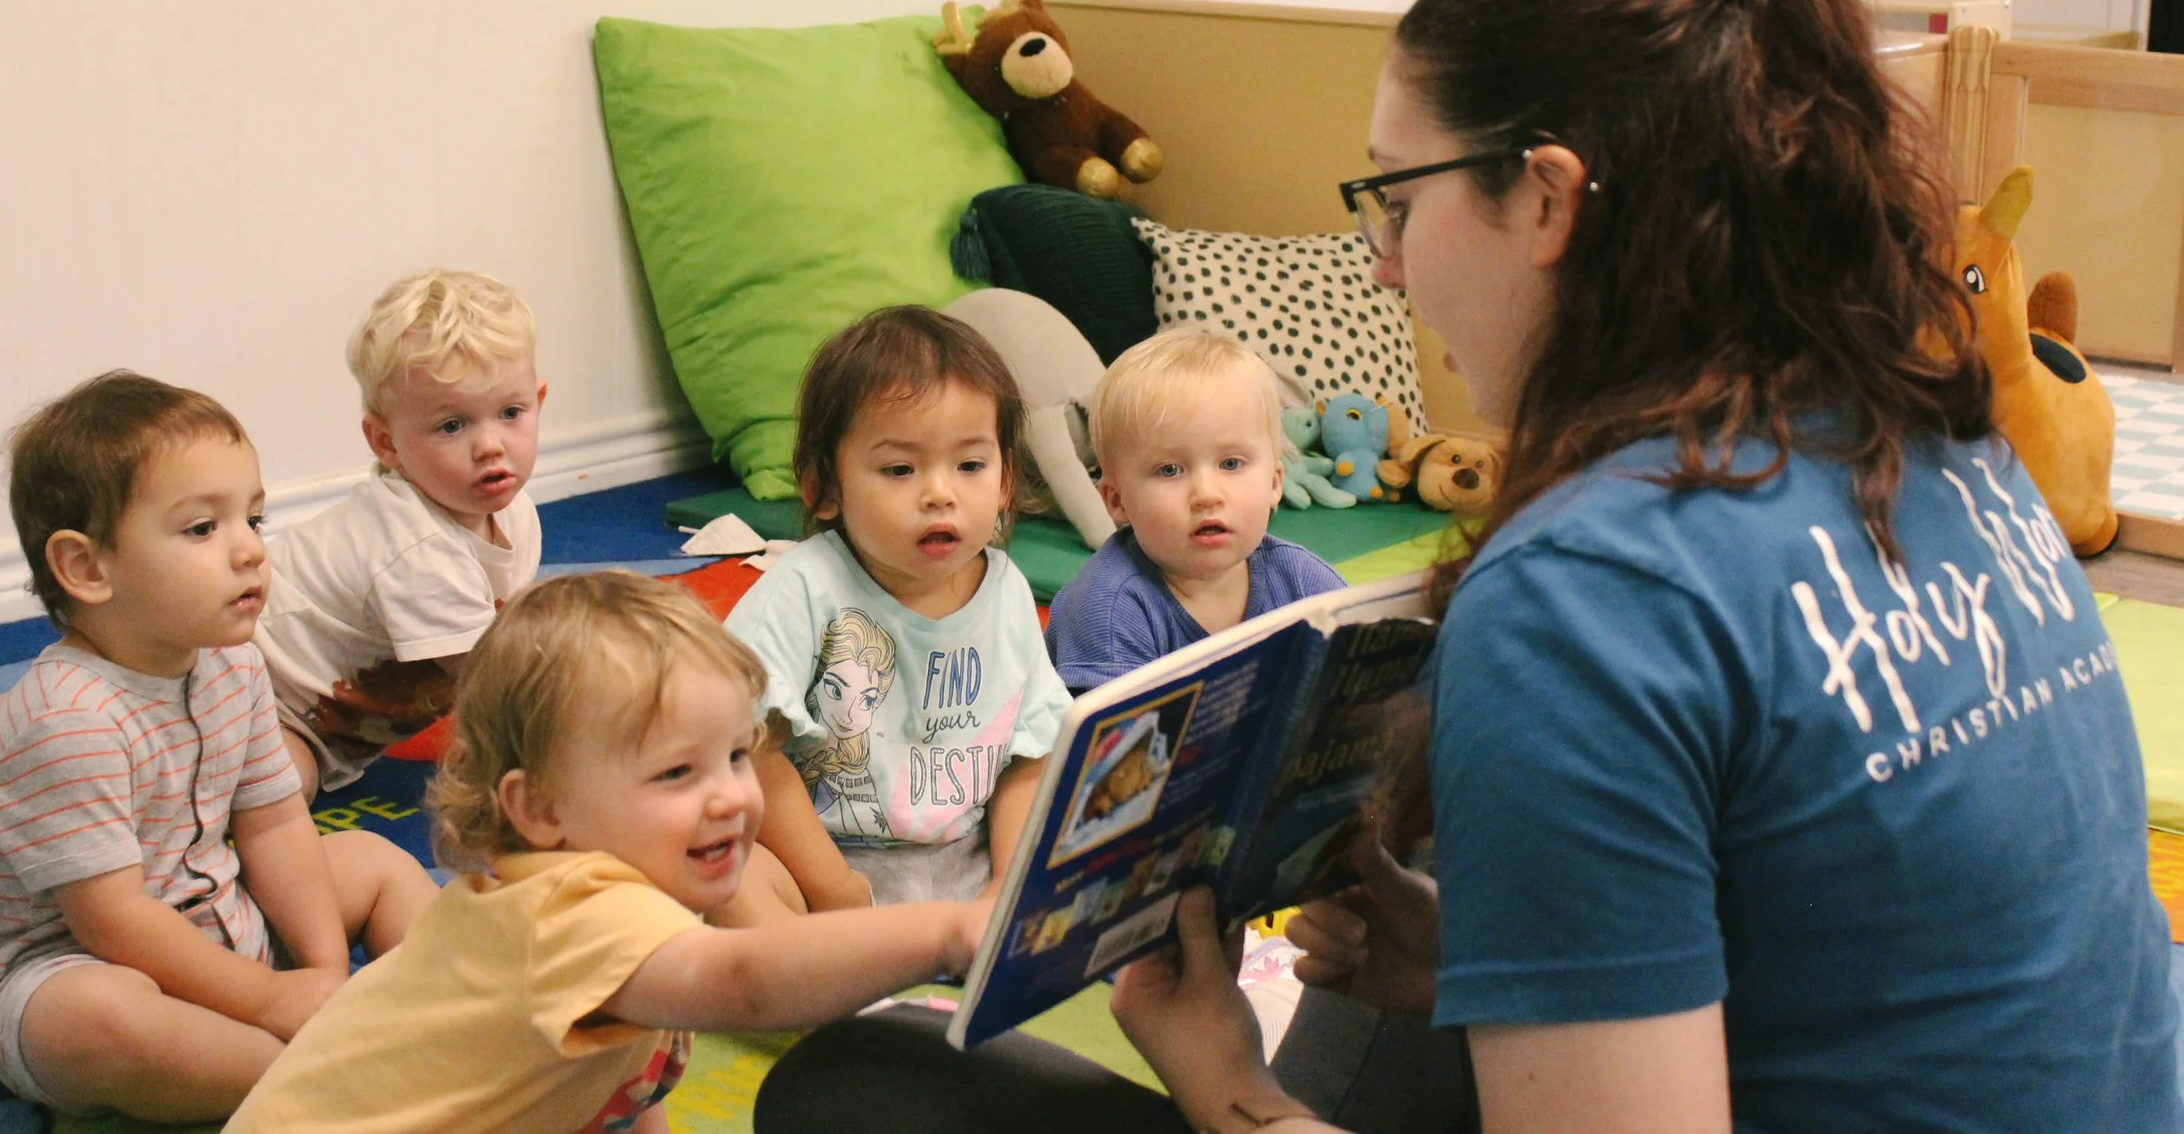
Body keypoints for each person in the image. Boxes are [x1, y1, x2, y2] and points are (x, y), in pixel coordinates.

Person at [758, 0, 2184, 1134]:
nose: (1381, 268)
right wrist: (1467, 971)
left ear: (1548, 196)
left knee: (861, 1086)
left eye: (1395, 199)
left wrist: (1229, 1088)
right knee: (1410, 987)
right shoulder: (1933, 430)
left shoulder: (1591, 589)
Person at [225, 570, 990, 1134]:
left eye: (734, 755)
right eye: (675, 773)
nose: (728, 795)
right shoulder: (574, 909)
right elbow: (748, 980)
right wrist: (948, 931)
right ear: (541, 810)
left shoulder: (636, 906)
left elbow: (624, 1089)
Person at [0, 371, 437, 1123]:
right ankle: (325, 1081)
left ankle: (451, 1012)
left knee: (375, 862)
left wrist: (322, 971)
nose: (248, 552)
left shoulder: (230, 660)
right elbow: (112, 920)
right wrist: (271, 997)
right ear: (86, 567)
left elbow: (273, 822)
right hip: (72, 964)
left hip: (214, 908)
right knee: (99, 1017)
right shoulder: (64, 719)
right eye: (203, 528)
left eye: (254, 519)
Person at [722, 305, 1075, 917]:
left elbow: (1031, 756)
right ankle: (817, 982)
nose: (940, 492)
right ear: (823, 489)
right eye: (899, 469)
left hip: (967, 857)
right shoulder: (803, 591)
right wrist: (833, 888)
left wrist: (1006, 887)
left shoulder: (1009, 590)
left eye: (970, 465)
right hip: (822, 861)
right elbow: (749, 752)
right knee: (734, 878)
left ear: (1005, 481)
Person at [255, 269, 547, 802]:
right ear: (385, 442)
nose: (490, 446)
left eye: (510, 413)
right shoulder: (417, 551)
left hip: (335, 726)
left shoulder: (517, 512)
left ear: (539, 402)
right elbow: (499, 688)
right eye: (452, 426)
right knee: (275, 792)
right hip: (257, 695)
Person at [1045, 328, 1345, 694]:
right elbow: (1112, 747)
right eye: (1169, 470)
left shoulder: (1303, 581)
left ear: (1274, 482)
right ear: (1116, 501)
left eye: (1231, 464)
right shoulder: (1107, 609)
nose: (1206, 494)